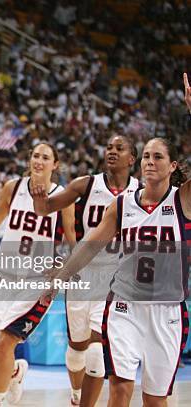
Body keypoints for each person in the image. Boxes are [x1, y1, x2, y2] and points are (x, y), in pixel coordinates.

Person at [39, 135, 189, 407]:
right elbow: (88, 246)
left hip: (166, 311)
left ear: (173, 166)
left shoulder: (183, 200)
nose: (150, 162)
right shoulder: (123, 205)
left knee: (154, 400)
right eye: (146, 156)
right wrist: (58, 280)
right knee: (119, 390)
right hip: (123, 307)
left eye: (158, 157)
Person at [0, 142, 76, 407]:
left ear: (54, 165)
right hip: (4, 276)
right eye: (35, 155)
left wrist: (65, 266)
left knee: (6, 343)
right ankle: (15, 372)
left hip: (37, 283)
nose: (39, 160)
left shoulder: (62, 197)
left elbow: (71, 240)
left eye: (46, 157)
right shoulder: (13, 189)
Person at [31, 134, 139, 406]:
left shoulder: (141, 192)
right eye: (109, 147)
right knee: (77, 349)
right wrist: (39, 195)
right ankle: (77, 395)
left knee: (96, 351)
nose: (112, 151)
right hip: (82, 274)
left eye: (119, 148)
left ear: (132, 158)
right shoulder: (85, 184)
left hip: (116, 279)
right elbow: (45, 209)